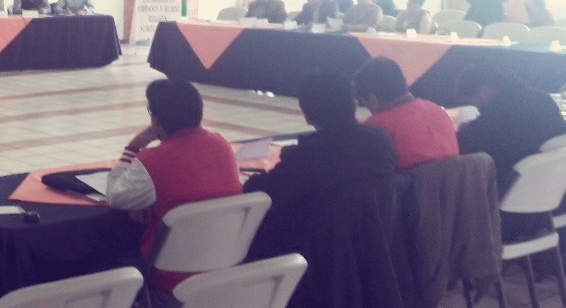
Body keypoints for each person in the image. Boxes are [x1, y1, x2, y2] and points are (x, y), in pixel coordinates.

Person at [105, 79, 242, 292]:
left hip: (170, 276)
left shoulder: (152, 161)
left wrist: (132, 148)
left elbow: (115, 197)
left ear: (156, 120)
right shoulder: (222, 145)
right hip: (223, 267)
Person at [244, 70, 398, 206]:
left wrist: (289, 158)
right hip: (374, 228)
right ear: (353, 103)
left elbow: (256, 189)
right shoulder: (382, 140)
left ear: (307, 116)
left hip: (315, 229)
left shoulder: (306, 158)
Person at [455, 68, 566, 186]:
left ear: (483, 92)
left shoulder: (497, 117)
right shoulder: (542, 98)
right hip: (553, 182)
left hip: (512, 186)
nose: (477, 109)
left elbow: (460, 147)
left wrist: (463, 130)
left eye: (474, 103)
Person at [355, 57, 459, 168]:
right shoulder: (437, 110)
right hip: (455, 178)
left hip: (411, 179)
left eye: (364, 103)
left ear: (372, 99)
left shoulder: (375, 126)